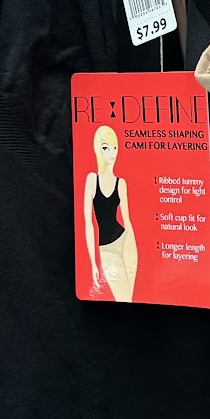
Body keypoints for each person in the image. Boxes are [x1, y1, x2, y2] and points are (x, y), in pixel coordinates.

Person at [83, 125, 138, 303]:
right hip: (106, 248)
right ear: (98, 150)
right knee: (122, 299)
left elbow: (127, 220)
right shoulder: (92, 180)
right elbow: (89, 223)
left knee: (131, 299)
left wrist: (134, 250)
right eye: (106, 148)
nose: (112, 152)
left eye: (115, 147)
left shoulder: (121, 183)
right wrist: (93, 263)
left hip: (126, 242)